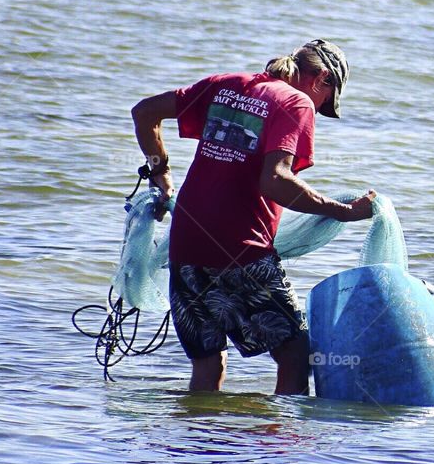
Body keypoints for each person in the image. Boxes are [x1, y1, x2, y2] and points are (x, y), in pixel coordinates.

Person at [131, 39, 376, 395]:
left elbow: (144, 112)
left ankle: (198, 428)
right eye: (326, 99)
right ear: (322, 78)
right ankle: (280, 433)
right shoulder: (296, 102)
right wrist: (344, 212)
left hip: (186, 245)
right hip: (240, 249)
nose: (319, 107)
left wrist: (160, 174)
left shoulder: (225, 84)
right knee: (295, 355)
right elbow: (275, 180)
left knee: (209, 362)